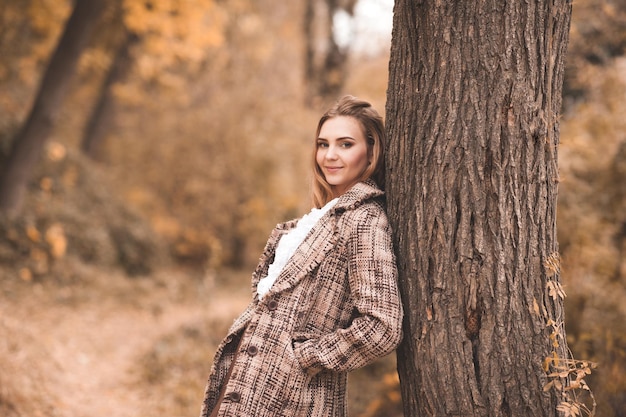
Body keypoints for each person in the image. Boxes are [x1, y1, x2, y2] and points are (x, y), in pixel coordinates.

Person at [200, 95, 403, 417]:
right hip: (242, 386)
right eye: (323, 144)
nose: (330, 155)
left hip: (294, 400)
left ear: (371, 153)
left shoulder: (363, 220)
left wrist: (304, 357)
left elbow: (382, 327)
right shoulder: (311, 223)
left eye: (345, 144)